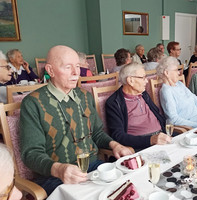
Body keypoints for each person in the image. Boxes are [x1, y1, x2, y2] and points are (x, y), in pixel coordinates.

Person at [20, 45, 133, 195]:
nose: (76, 73)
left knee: (128, 189)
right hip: (56, 178)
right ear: (50, 70)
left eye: (78, 66)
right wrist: (59, 169)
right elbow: (31, 153)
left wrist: (115, 145)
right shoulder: (33, 103)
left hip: (94, 169)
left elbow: (97, 133)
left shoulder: (84, 96)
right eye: (68, 67)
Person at [106, 63, 171, 151]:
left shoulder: (144, 94)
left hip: (162, 138)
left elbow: (157, 114)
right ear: (130, 80)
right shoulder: (114, 102)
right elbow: (118, 136)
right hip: (142, 147)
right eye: (143, 77)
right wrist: (150, 140)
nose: (147, 81)